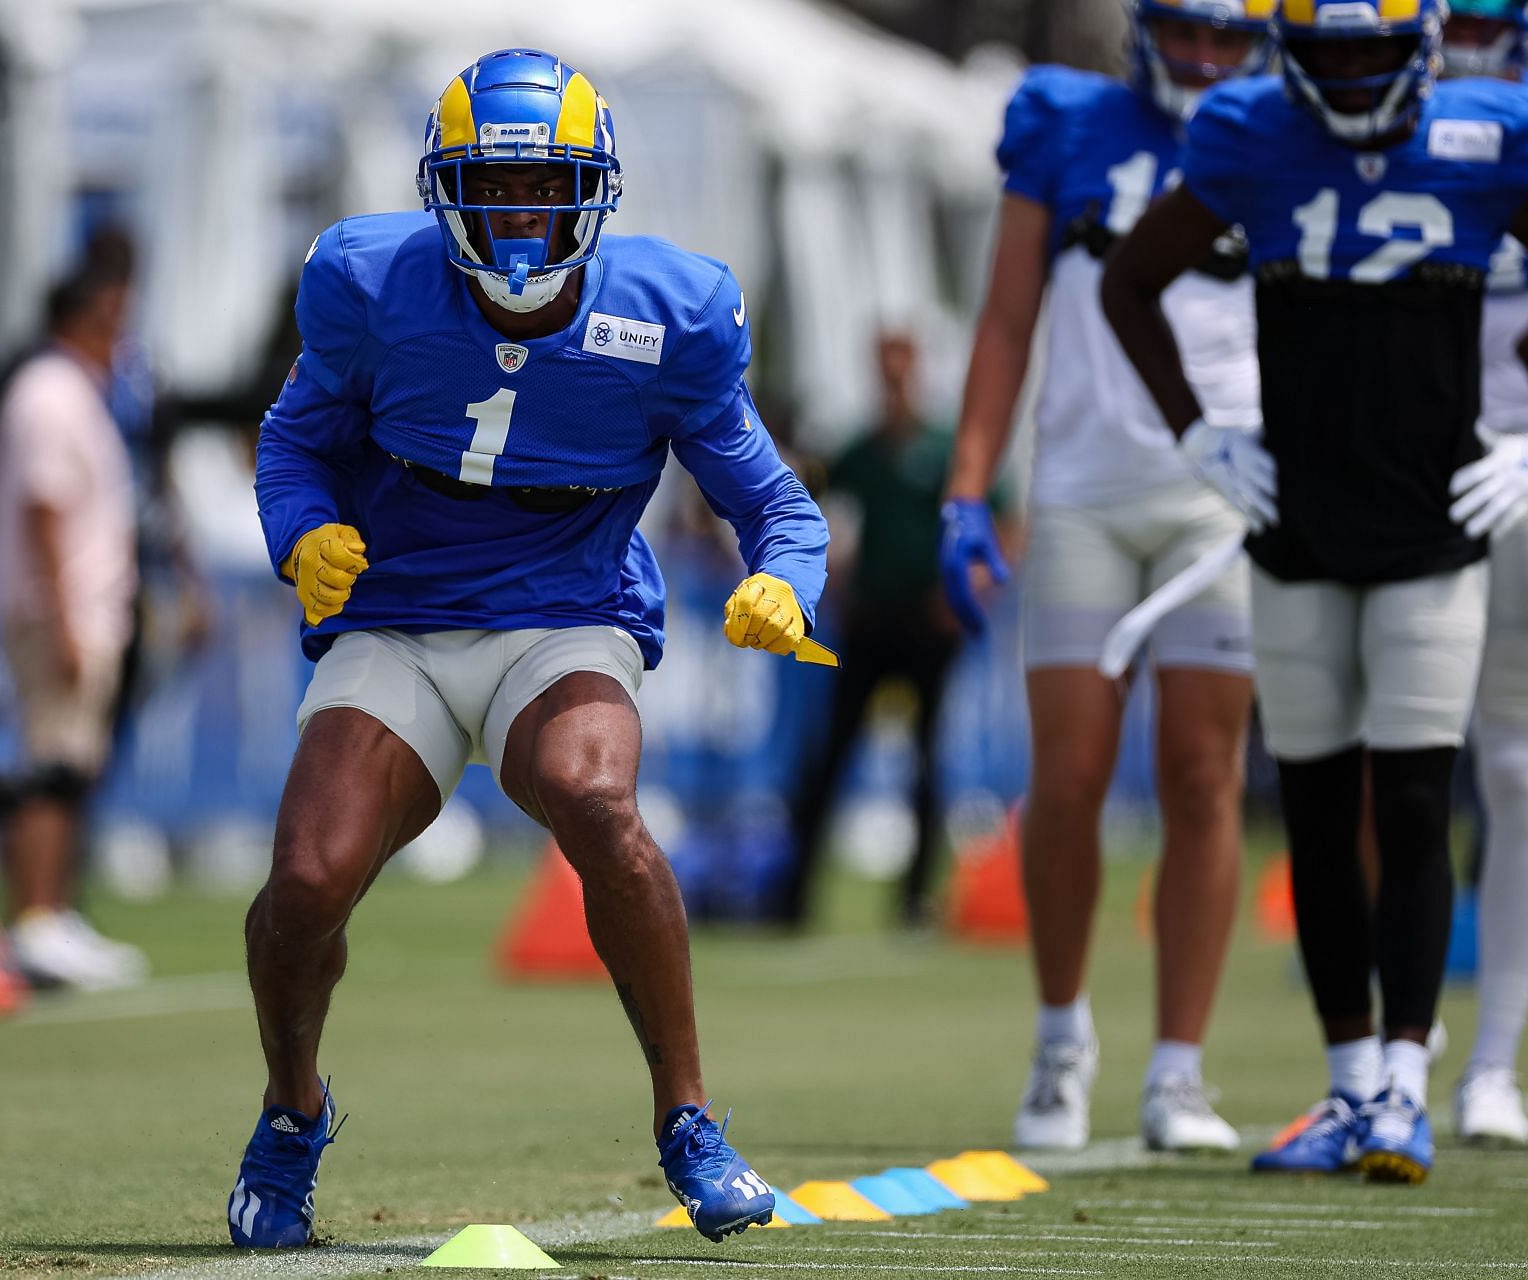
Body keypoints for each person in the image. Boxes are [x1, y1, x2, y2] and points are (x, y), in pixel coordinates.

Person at [232, 48, 830, 1248]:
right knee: (304, 881)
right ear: (444, 189)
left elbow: (782, 507)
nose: (518, 217)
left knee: (595, 797)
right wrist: (300, 538)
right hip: (398, 615)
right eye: (492, 190)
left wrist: (785, 582)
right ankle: (293, 1110)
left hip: (564, 611)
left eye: (543, 189)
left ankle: (690, 1120)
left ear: (591, 192)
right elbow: (291, 444)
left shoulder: (673, 314)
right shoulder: (367, 282)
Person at [1101, 0, 1528, 1183]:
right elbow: (1128, 283)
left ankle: (1405, 1080)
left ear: (1425, 48)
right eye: (1324, 51)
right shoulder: (1252, 137)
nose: (1345, 76)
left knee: (1412, 801)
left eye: (1369, 52)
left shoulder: (1490, 135)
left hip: (1431, 523)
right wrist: (1198, 438)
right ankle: (1350, 1086)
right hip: (1295, 523)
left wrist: (1527, 435)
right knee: (1318, 813)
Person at [941, 0, 1271, 1153]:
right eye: (1189, 30)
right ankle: (1059, 1032)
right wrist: (969, 479)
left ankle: (1178, 1067)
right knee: (1070, 773)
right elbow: (1006, 317)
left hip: (1221, 493)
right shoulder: (1066, 122)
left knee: (1202, 774)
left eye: (1232, 37)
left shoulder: (1287, 127)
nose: (1207, 57)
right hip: (1082, 487)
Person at [783, 331, 1004, 928]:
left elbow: (1003, 518)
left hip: (929, 620)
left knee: (928, 760)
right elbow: (813, 511)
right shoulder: (859, 450)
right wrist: (835, 587)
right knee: (830, 754)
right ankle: (793, 896)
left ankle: (914, 902)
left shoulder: (944, 448)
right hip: (873, 619)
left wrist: (966, 592)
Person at [0, 242, 148, 991]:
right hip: (62, 614)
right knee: (51, 768)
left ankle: (53, 914)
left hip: (78, 611)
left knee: (70, 768)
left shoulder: (67, 390)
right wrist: (65, 619)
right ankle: (35, 921)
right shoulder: (50, 392)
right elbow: (43, 509)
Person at [1440, 0, 1528, 1147]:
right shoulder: (1330, 123)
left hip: (1513, 473)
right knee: (1365, 763)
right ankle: (1373, 1061)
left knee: (1512, 768)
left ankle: (1495, 1057)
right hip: (1393, 474)